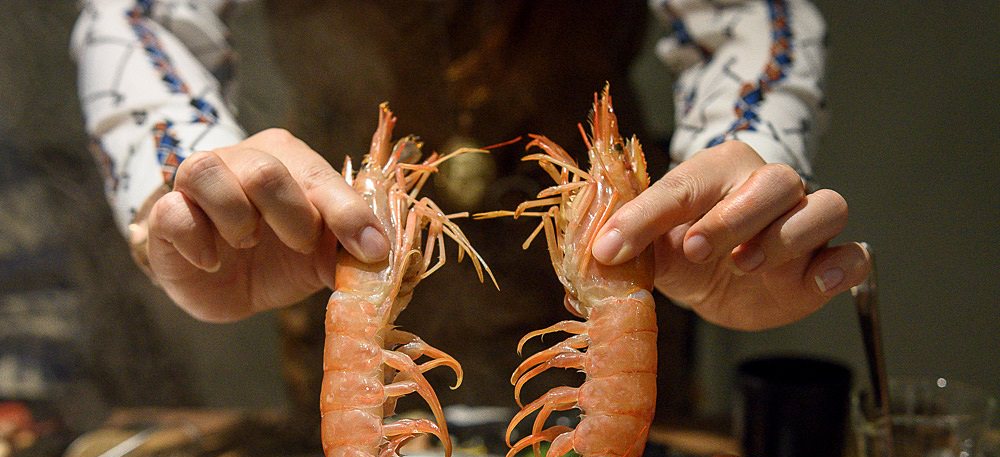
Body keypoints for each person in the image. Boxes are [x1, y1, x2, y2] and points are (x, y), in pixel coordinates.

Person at [70, 0, 870, 421]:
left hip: (632, 302)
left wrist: (741, 172)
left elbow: (748, 17)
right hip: (323, 276)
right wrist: (185, 189)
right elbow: (136, 12)